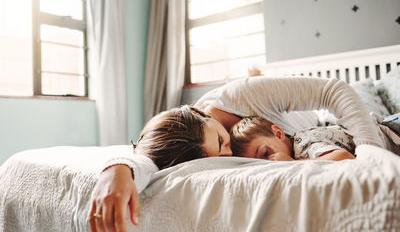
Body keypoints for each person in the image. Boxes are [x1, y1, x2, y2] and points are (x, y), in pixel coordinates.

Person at [89, 77, 385, 232]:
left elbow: (335, 91)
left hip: (323, 129)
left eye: (220, 138)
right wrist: (117, 168)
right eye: (218, 153)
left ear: (201, 113)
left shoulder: (241, 95)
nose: (228, 150)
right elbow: (150, 157)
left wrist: (371, 151)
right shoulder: (187, 147)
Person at [230, 116, 356, 161]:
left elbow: (344, 157)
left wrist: (292, 163)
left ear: (278, 133)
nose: (269, 162)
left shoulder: (304, 144)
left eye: (266, 153)